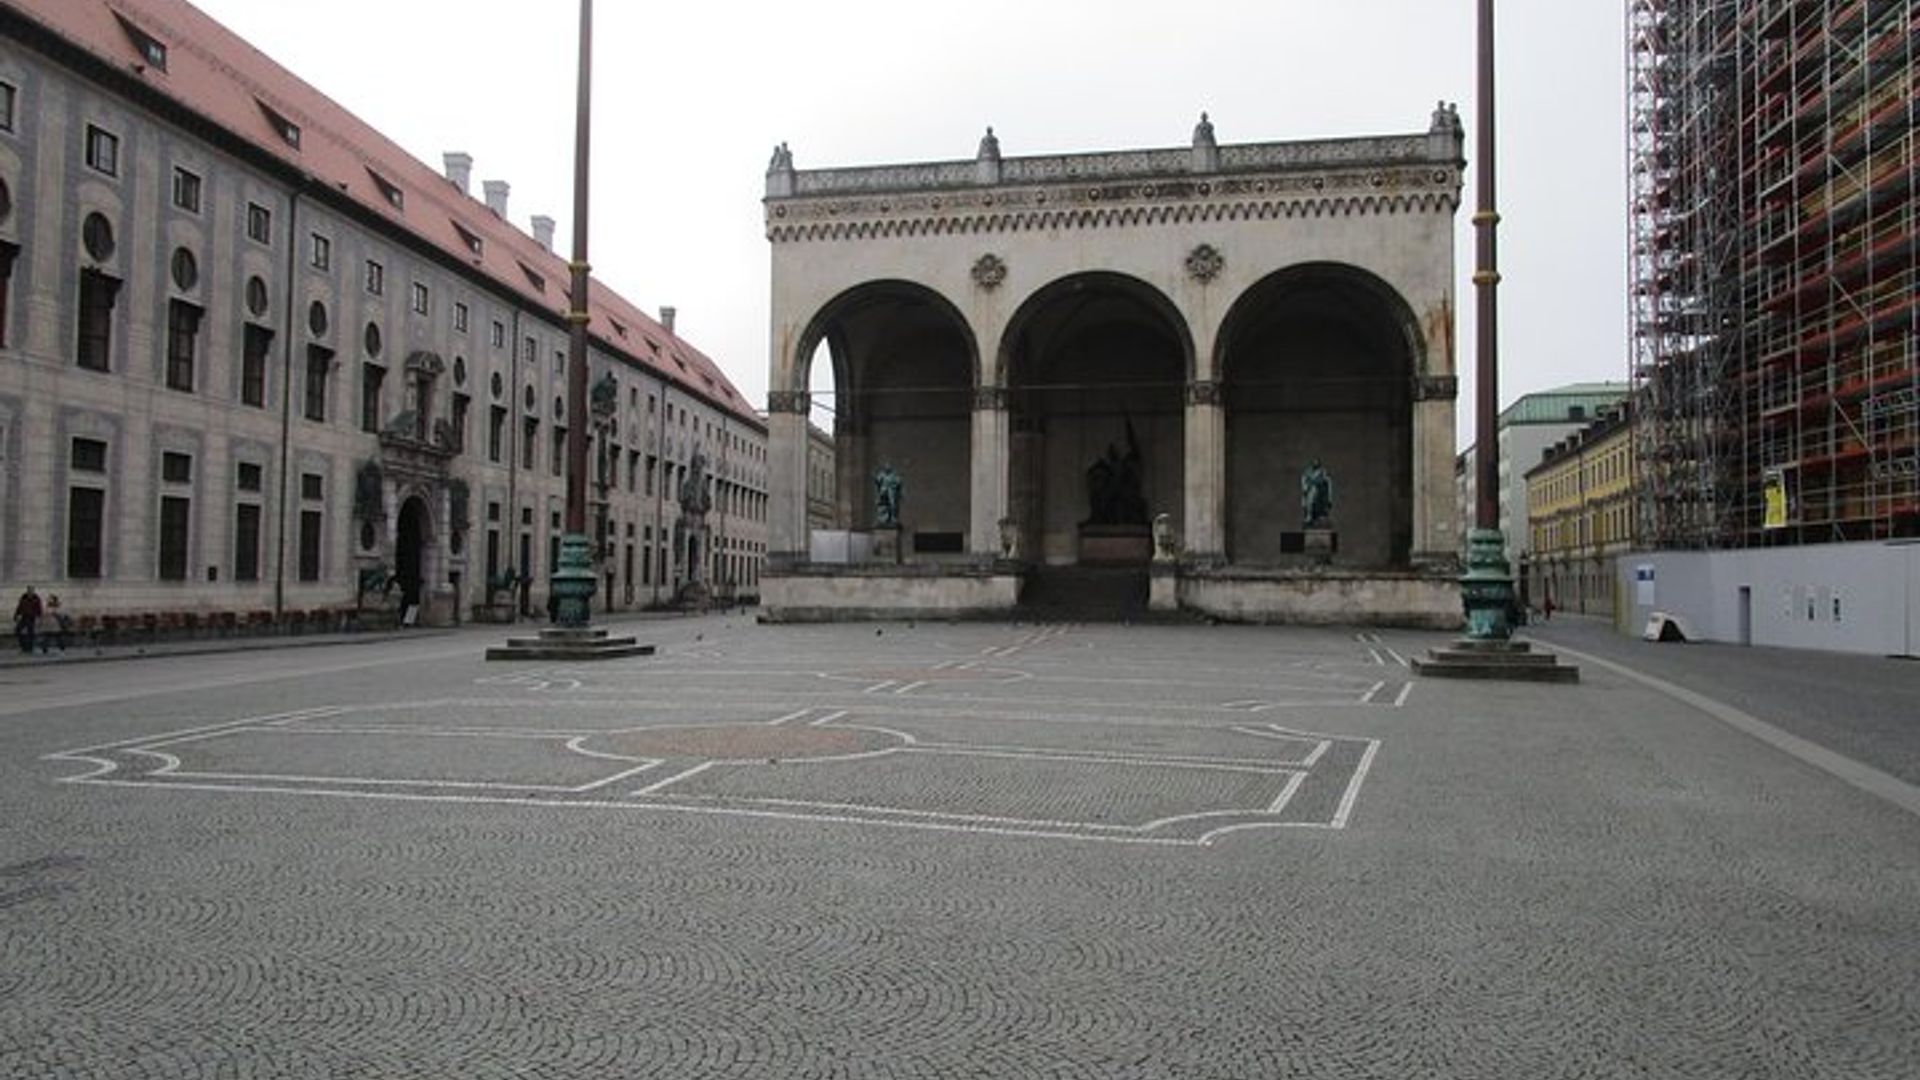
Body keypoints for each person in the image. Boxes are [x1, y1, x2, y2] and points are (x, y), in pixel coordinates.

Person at [13, 586, 40, 655]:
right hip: (24, 617)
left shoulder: (36, 598)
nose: (30, 592)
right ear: (27, 591)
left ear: (33, 591)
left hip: (31, 618)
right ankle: (23, 646)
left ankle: (30, 648)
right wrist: (16, 615)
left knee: (30, 633)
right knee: (17, 630)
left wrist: (37, 617)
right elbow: (19, 606)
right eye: (29, 590)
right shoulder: (23, 597)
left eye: (32, 591)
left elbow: (39, 609)